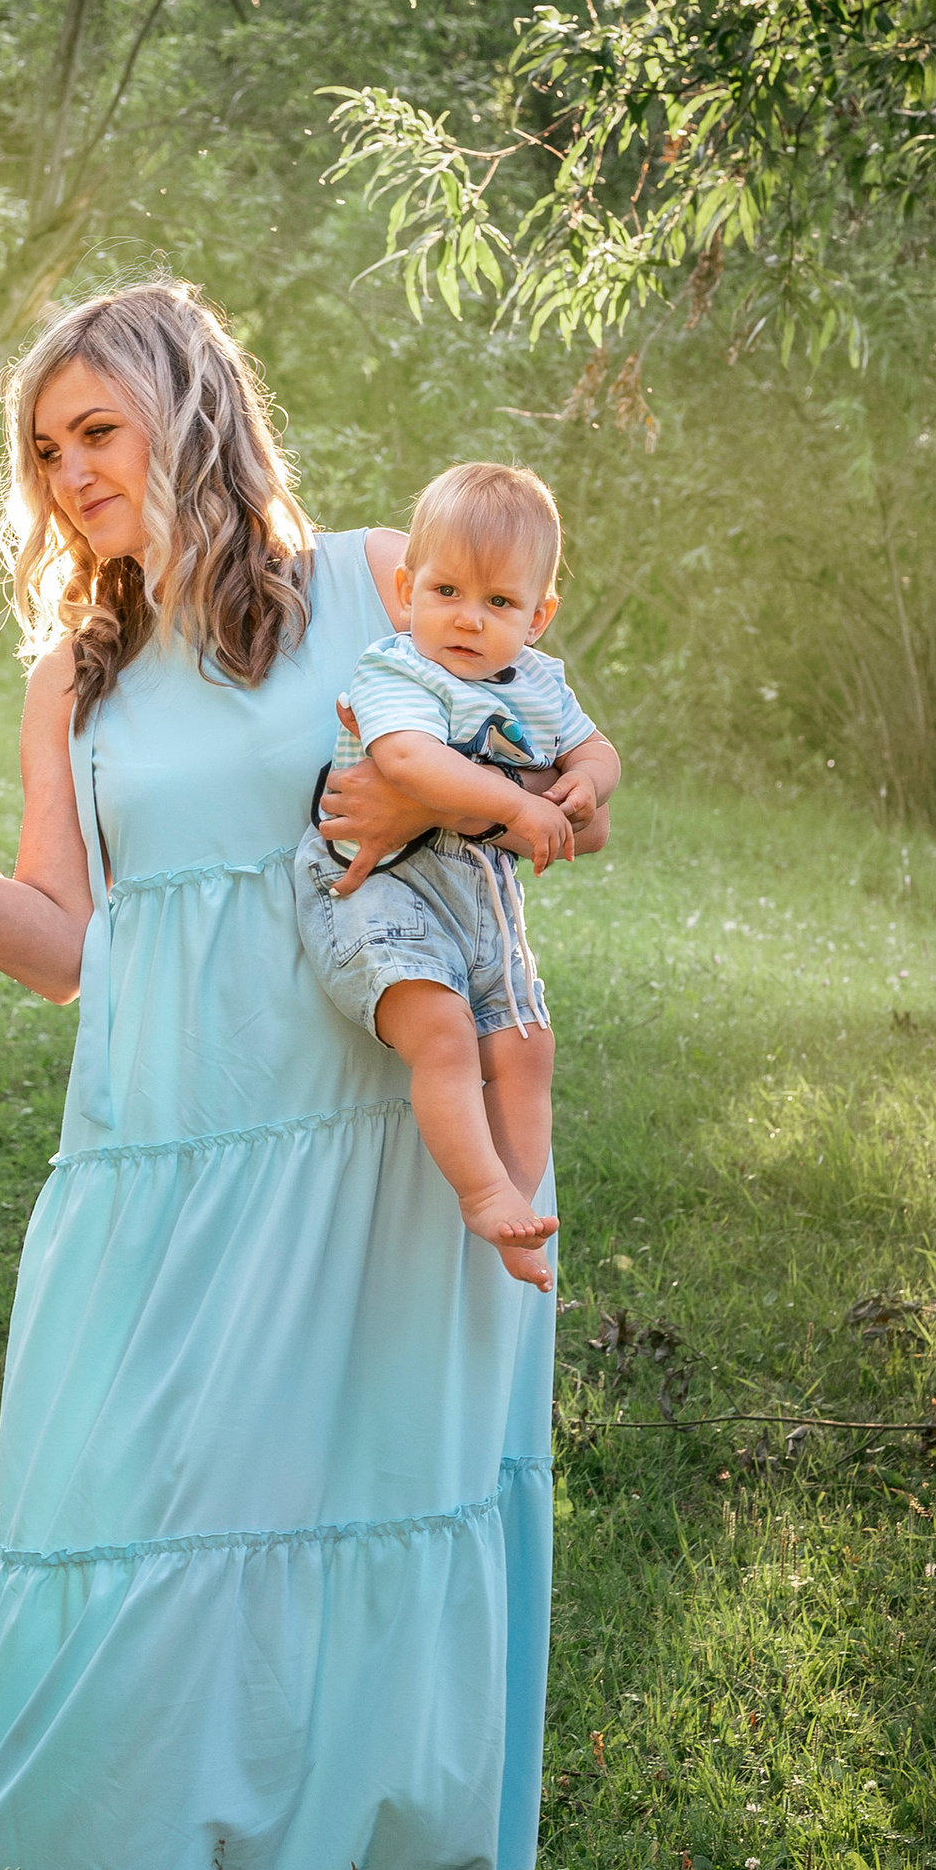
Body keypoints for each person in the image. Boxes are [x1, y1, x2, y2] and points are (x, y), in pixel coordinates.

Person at [0, 282, 569, 1870]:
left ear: (191, 413)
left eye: (97, 433)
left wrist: (434, 798)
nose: (69, 474)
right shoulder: (77, 675)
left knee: (361, 1477)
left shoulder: (384, 580)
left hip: (378, 1110)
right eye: (43, 449)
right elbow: (65, 943)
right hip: (171, 1130)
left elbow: (554, 788)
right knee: (158, 1488)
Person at [292, 457, 620, 1294]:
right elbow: (410, 761)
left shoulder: (539, 683)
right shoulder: (399, 667)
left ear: (538, 616)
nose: (468, 618)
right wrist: (518, 803)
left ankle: (518, 1208)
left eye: (499, 602)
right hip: (378, 889)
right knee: (442, 1032)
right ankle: (481, 1192)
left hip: (480, 899)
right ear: (407, 590)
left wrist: (587, 780)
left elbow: (596, 749)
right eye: (446, 591)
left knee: (526, 1047)